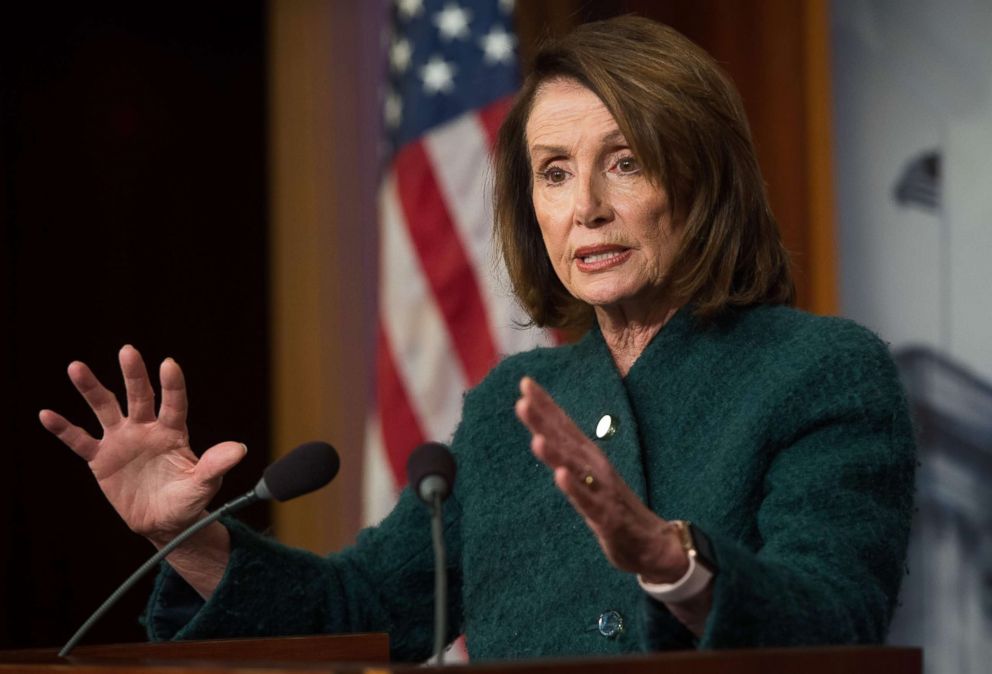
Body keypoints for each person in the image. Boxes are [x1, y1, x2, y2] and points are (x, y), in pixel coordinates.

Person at [40, 16, 916, 661]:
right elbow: (365, 609)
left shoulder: (818, 373)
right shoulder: (512, 407)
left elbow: (835, 620)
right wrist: (190, 536)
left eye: (626, 162)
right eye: (554, 173)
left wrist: (674, 563)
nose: (586, 208)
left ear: (705, 179)